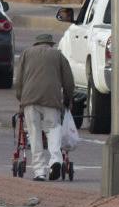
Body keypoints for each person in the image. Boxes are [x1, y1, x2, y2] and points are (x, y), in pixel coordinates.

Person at [12, 32, 75, 181]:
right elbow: (68, 81)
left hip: (30, 101)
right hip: (51, 99)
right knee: (53, 130)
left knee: (34, 135)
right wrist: (67, 99)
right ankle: (55, 161)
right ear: (50, 44)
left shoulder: (26, 54)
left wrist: (21, 98)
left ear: (36, 44)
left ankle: (39, 171)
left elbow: (19, 79)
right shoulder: (58, 55)